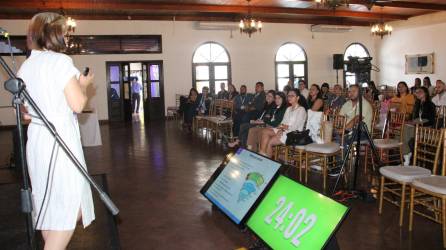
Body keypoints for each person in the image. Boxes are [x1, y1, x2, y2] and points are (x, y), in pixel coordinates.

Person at [17, 12, 95, 249]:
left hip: (38, 142)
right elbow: (78, 105)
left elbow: (25, 115)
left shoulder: (26, 66)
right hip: (60, 143)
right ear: (53, 34)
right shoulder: (60, 62)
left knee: (48, 207)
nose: (66, 37)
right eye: (63, 32)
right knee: (71, 206)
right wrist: (83, 85)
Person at [258, 89, 307, 157]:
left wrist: (283, 128)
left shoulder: (301, 110)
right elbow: (283, 122)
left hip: (294, 134)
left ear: (298, 97)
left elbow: (295, 127)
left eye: (292, 96)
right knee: (264, 131)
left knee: (270, 142)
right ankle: (262, 153)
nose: (289, 97)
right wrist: (281, 130)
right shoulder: (288, 109)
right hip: (285, 130)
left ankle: (266, 161)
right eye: (288, 96)